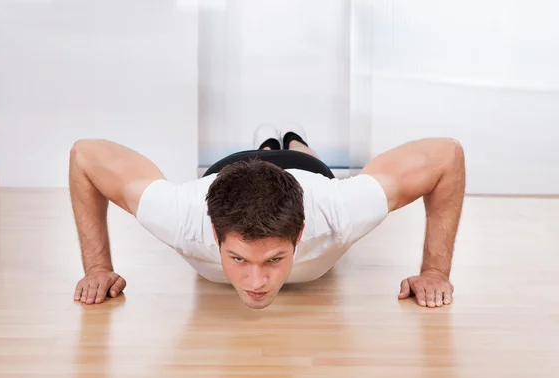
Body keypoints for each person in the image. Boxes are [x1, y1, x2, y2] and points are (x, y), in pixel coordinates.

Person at [69, 124, 465, 309]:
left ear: (301, 233)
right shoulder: (181, 215)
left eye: (274, 259)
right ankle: (263, 144)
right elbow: (85, 155)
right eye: (238, 258)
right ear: (213, 232)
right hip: (229, 171)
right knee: (255, 155)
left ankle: (294, 142)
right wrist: (97, 268)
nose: (256, 282)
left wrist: (434, 271)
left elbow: (446, 155)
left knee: (308, 160)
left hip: (304, 173)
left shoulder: (338, 210)